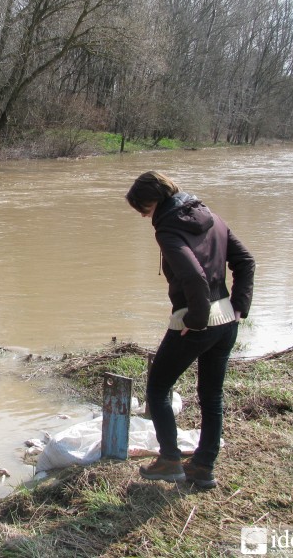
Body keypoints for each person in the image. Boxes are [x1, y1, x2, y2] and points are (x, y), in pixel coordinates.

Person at [126, 171, 255, 489]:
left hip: (197, 322)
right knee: (212, 395)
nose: (144, 217)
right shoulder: (211, 215)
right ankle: (203, 468)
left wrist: (196, 320)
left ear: (152, 202)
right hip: (227, 320)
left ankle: (170, 459)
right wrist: (238, 307)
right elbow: (246, 261)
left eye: (143, 210)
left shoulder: (168, 230)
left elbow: (194, 278)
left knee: (158, 388)